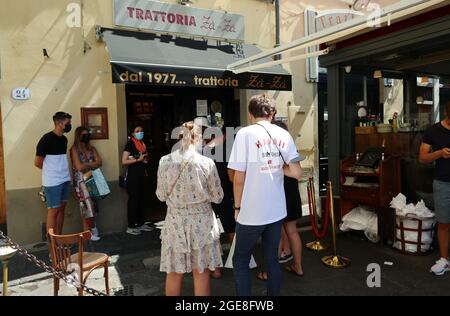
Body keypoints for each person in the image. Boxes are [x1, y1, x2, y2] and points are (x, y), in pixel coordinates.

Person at [228, 94, 302, 296]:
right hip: (276, 210)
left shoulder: (244, 134)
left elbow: (238, 178)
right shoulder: (284, 134)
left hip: (251, 211)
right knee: (271, 260)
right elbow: (296, 172)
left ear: (250, 114)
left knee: (240, 260)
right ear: (273, 113)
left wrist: (237, 207)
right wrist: (277, 166)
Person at [156, 121, 224, 296]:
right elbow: (218, 197)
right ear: (199, 138)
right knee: (201, 273)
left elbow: (161, 195)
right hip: (202, 225)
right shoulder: (206, 163)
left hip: (175, 223)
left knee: (173, 273)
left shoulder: (164, 161)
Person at [257, 120, 304, 281]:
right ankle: (298, 267)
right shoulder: (291, 149)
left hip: (277, 198)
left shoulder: (270, 151)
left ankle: (269, 272)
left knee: (274, 236)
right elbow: (298, 174)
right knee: (292, 232)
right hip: (292, 196)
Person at [419, 101, 450, 275]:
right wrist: (439, 153)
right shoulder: (433, 131)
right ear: (446, 113)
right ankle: (444, 259)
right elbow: (422, 158)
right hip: (443, 183)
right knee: (444, 222)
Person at [35, 112, 72, 235]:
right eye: (67, 123)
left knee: (61, 210)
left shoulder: (64, 139)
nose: (69, 125)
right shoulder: (46, 139)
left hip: (65, 179)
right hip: (52, 182)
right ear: (59, 123)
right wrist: (51, 173)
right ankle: (52, 247)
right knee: (53, 211)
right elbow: (38, 162)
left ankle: (59, 240)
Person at [207, 127, 236, 279]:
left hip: (209, 197)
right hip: (226, 196)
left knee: (212, 233)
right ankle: (237, 261)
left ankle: (216, 269)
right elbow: (233, 178)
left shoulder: (204, 151)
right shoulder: (230, 152)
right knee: (231, 228)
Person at [70, 127, 103, 241]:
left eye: (87, 134)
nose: (86, 137)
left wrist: (87, 164)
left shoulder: (92, 149)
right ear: (78, 136)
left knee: (93, 205)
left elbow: (100, 162)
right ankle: (88, 232)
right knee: (85, 206)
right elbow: (79, 167)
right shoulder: (74, 149)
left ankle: (92, 228)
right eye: (83, 134)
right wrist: (92, 164)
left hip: (92, 180)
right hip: (80, 182)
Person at [122, 125, 154, 235]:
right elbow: (124, 161)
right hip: (133, 176)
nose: (140, 132)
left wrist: (144, 159)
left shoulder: (142, 144)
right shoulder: (130, 144)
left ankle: (141, 223)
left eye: (141, 130)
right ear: (133, 133)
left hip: (142, 174)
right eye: (137, 131)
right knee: (133, 200)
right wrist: (137, 159)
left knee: (141, 199)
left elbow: (144, 157)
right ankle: (131, 226)